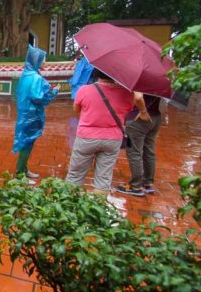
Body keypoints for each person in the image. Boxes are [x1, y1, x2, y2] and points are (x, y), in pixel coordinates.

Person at [65, 69, 138, 193]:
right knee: (103, 179)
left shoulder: (84, 90)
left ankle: (71, 208)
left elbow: (76, 109)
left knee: (75, 176)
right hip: (112, 139)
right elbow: (128, 110)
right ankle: (97, 209)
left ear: (96, 73)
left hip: (86, 138)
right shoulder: (127, 94)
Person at [13, 45, 59, 182]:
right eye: (43, 59)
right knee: (27, 143)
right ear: (37, 60)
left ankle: (23, 169)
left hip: (25, 113)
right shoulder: (35, 77)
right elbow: (37, 97)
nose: (44, 62)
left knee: (26, 142)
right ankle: (20, 174)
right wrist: (54, 92)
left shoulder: (26, 75)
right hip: (31, 115)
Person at [115, 92, 162, 196]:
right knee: (149, 151)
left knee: (134, 152)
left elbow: (138, 96)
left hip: (138, 119)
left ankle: (135, 186)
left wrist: (143, 111)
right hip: (155, 117)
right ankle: (148, 183)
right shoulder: (160, 76)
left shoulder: (140, 77)